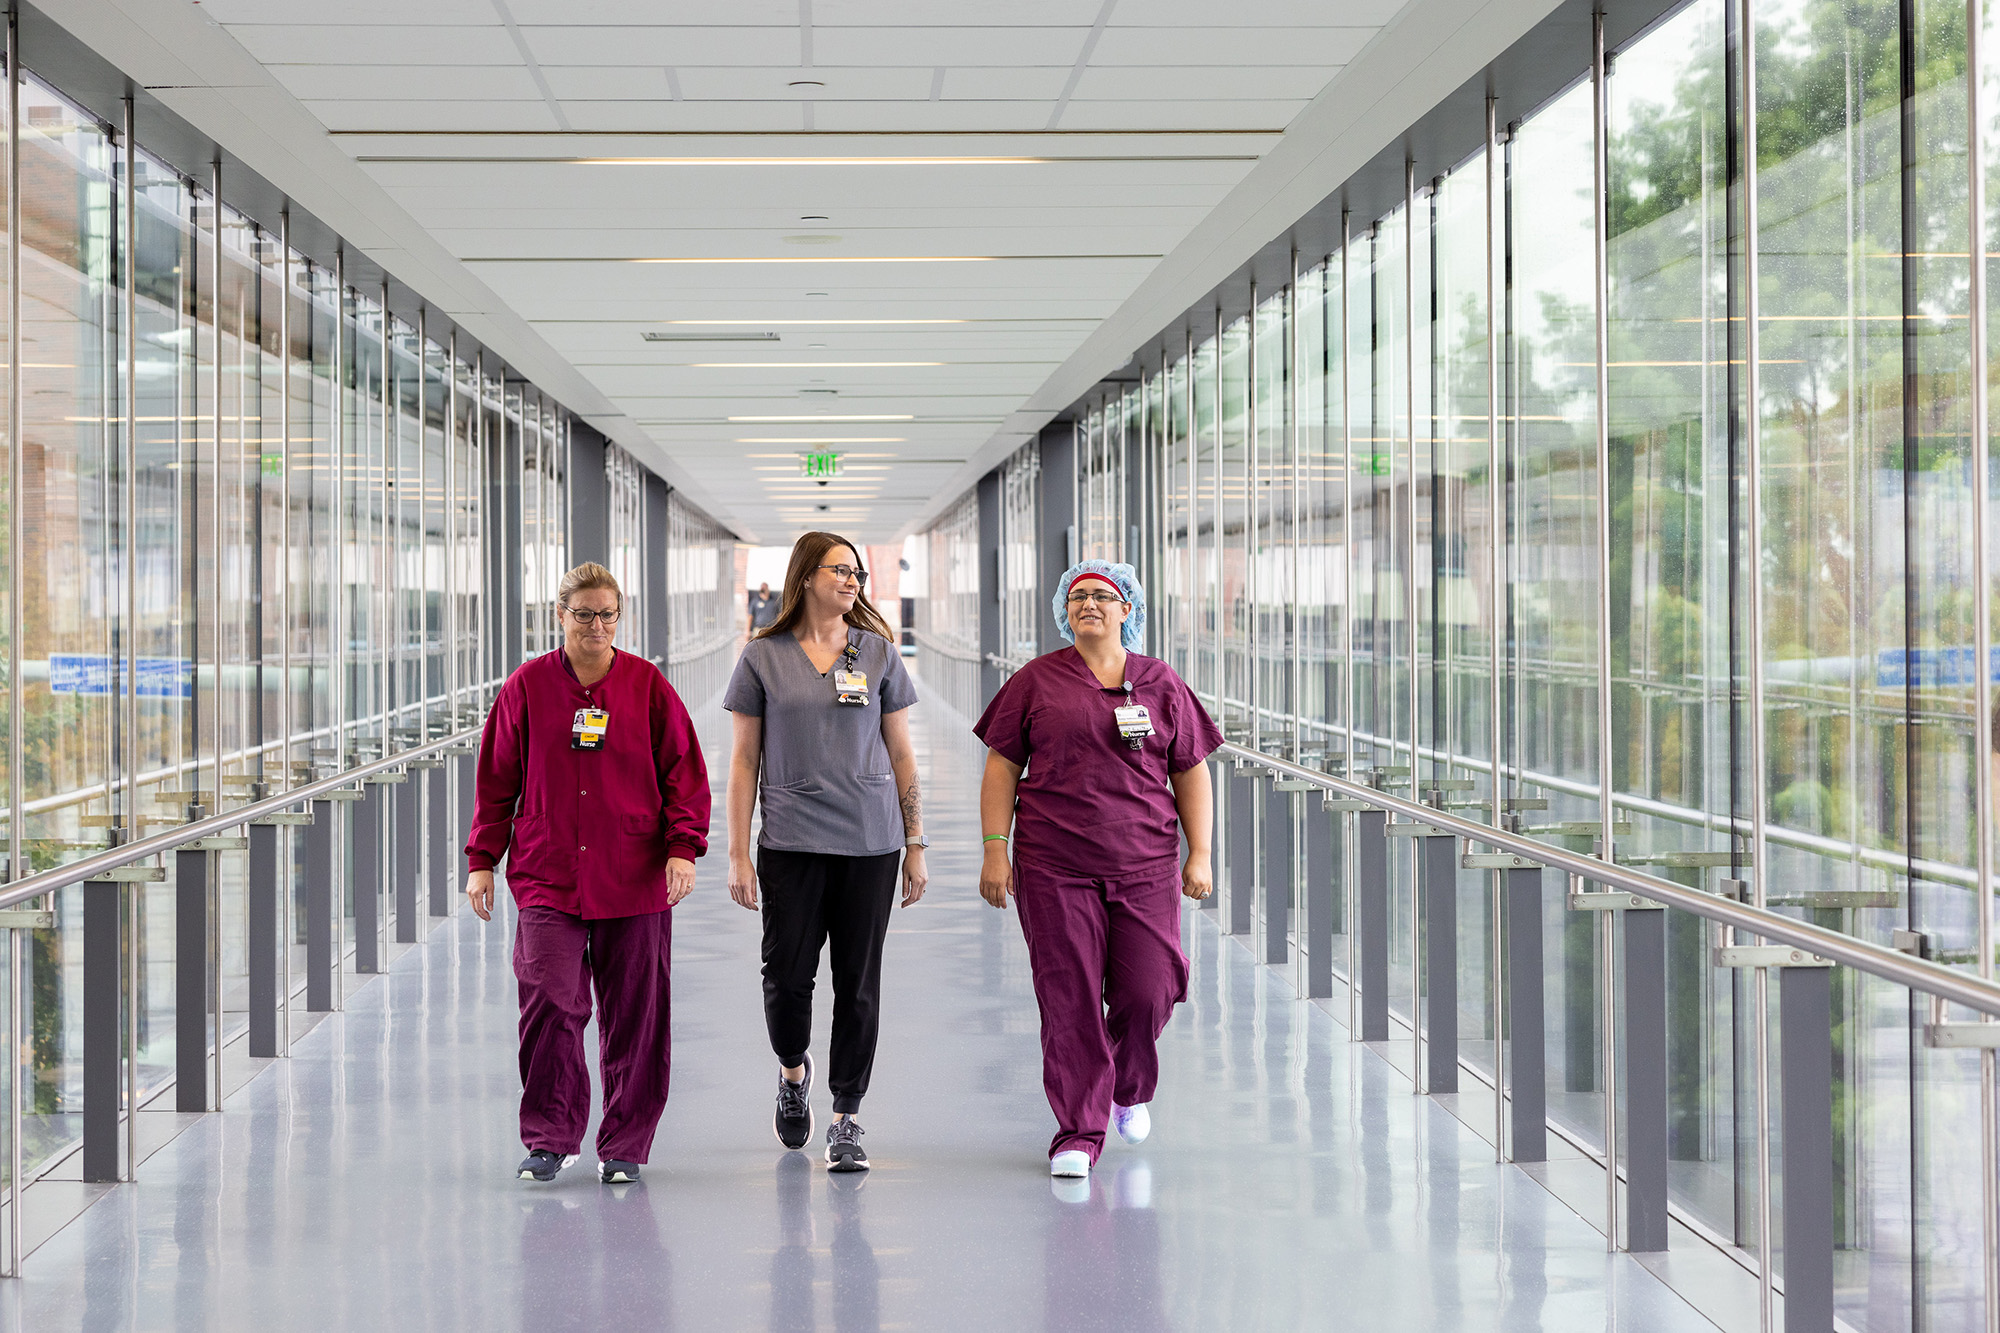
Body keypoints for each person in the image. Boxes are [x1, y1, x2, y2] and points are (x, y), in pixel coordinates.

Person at [465, 561, 711, 1185]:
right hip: (548, 874)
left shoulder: (648, 686)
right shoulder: (526, 688)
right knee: (548, 1003)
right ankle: (550, 1137)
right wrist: (482, 862)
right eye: (583, 614)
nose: (596, 625)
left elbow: (685, 773)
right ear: (560, 616)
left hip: (635, 874)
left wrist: (683, 849)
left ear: (618, 617)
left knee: (636, 1013)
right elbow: (496, 781)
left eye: (607, 614)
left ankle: (625, 1144)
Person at [973, 560, 1219, 1180]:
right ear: (1064, 610)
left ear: (1127, 610)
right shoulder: (1035, 681)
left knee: (1148, 986)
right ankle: (1078, 1132)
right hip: (1055, 863)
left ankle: (1128, 1087)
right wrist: (995, 849)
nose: (1089, 605)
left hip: (1144, 862)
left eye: (1102, 597)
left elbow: (1190, 770)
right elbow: (1002, 767)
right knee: (1070, 998)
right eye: (1078, 596)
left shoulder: (1160, 683)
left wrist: (1202, 852)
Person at [724, 532, 927, 1173]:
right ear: (806, 575)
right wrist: (735, 852)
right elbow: (742, 762)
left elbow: (901, 754)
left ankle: (847, 1117)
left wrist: (915, 842)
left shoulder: (879, 655)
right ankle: (793, 1071)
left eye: (859, 573)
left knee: (858, 986)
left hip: (871, 841)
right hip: (789, 840)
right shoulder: (763, 657)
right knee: (786, 981)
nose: (854, 581)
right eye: (842, 570)